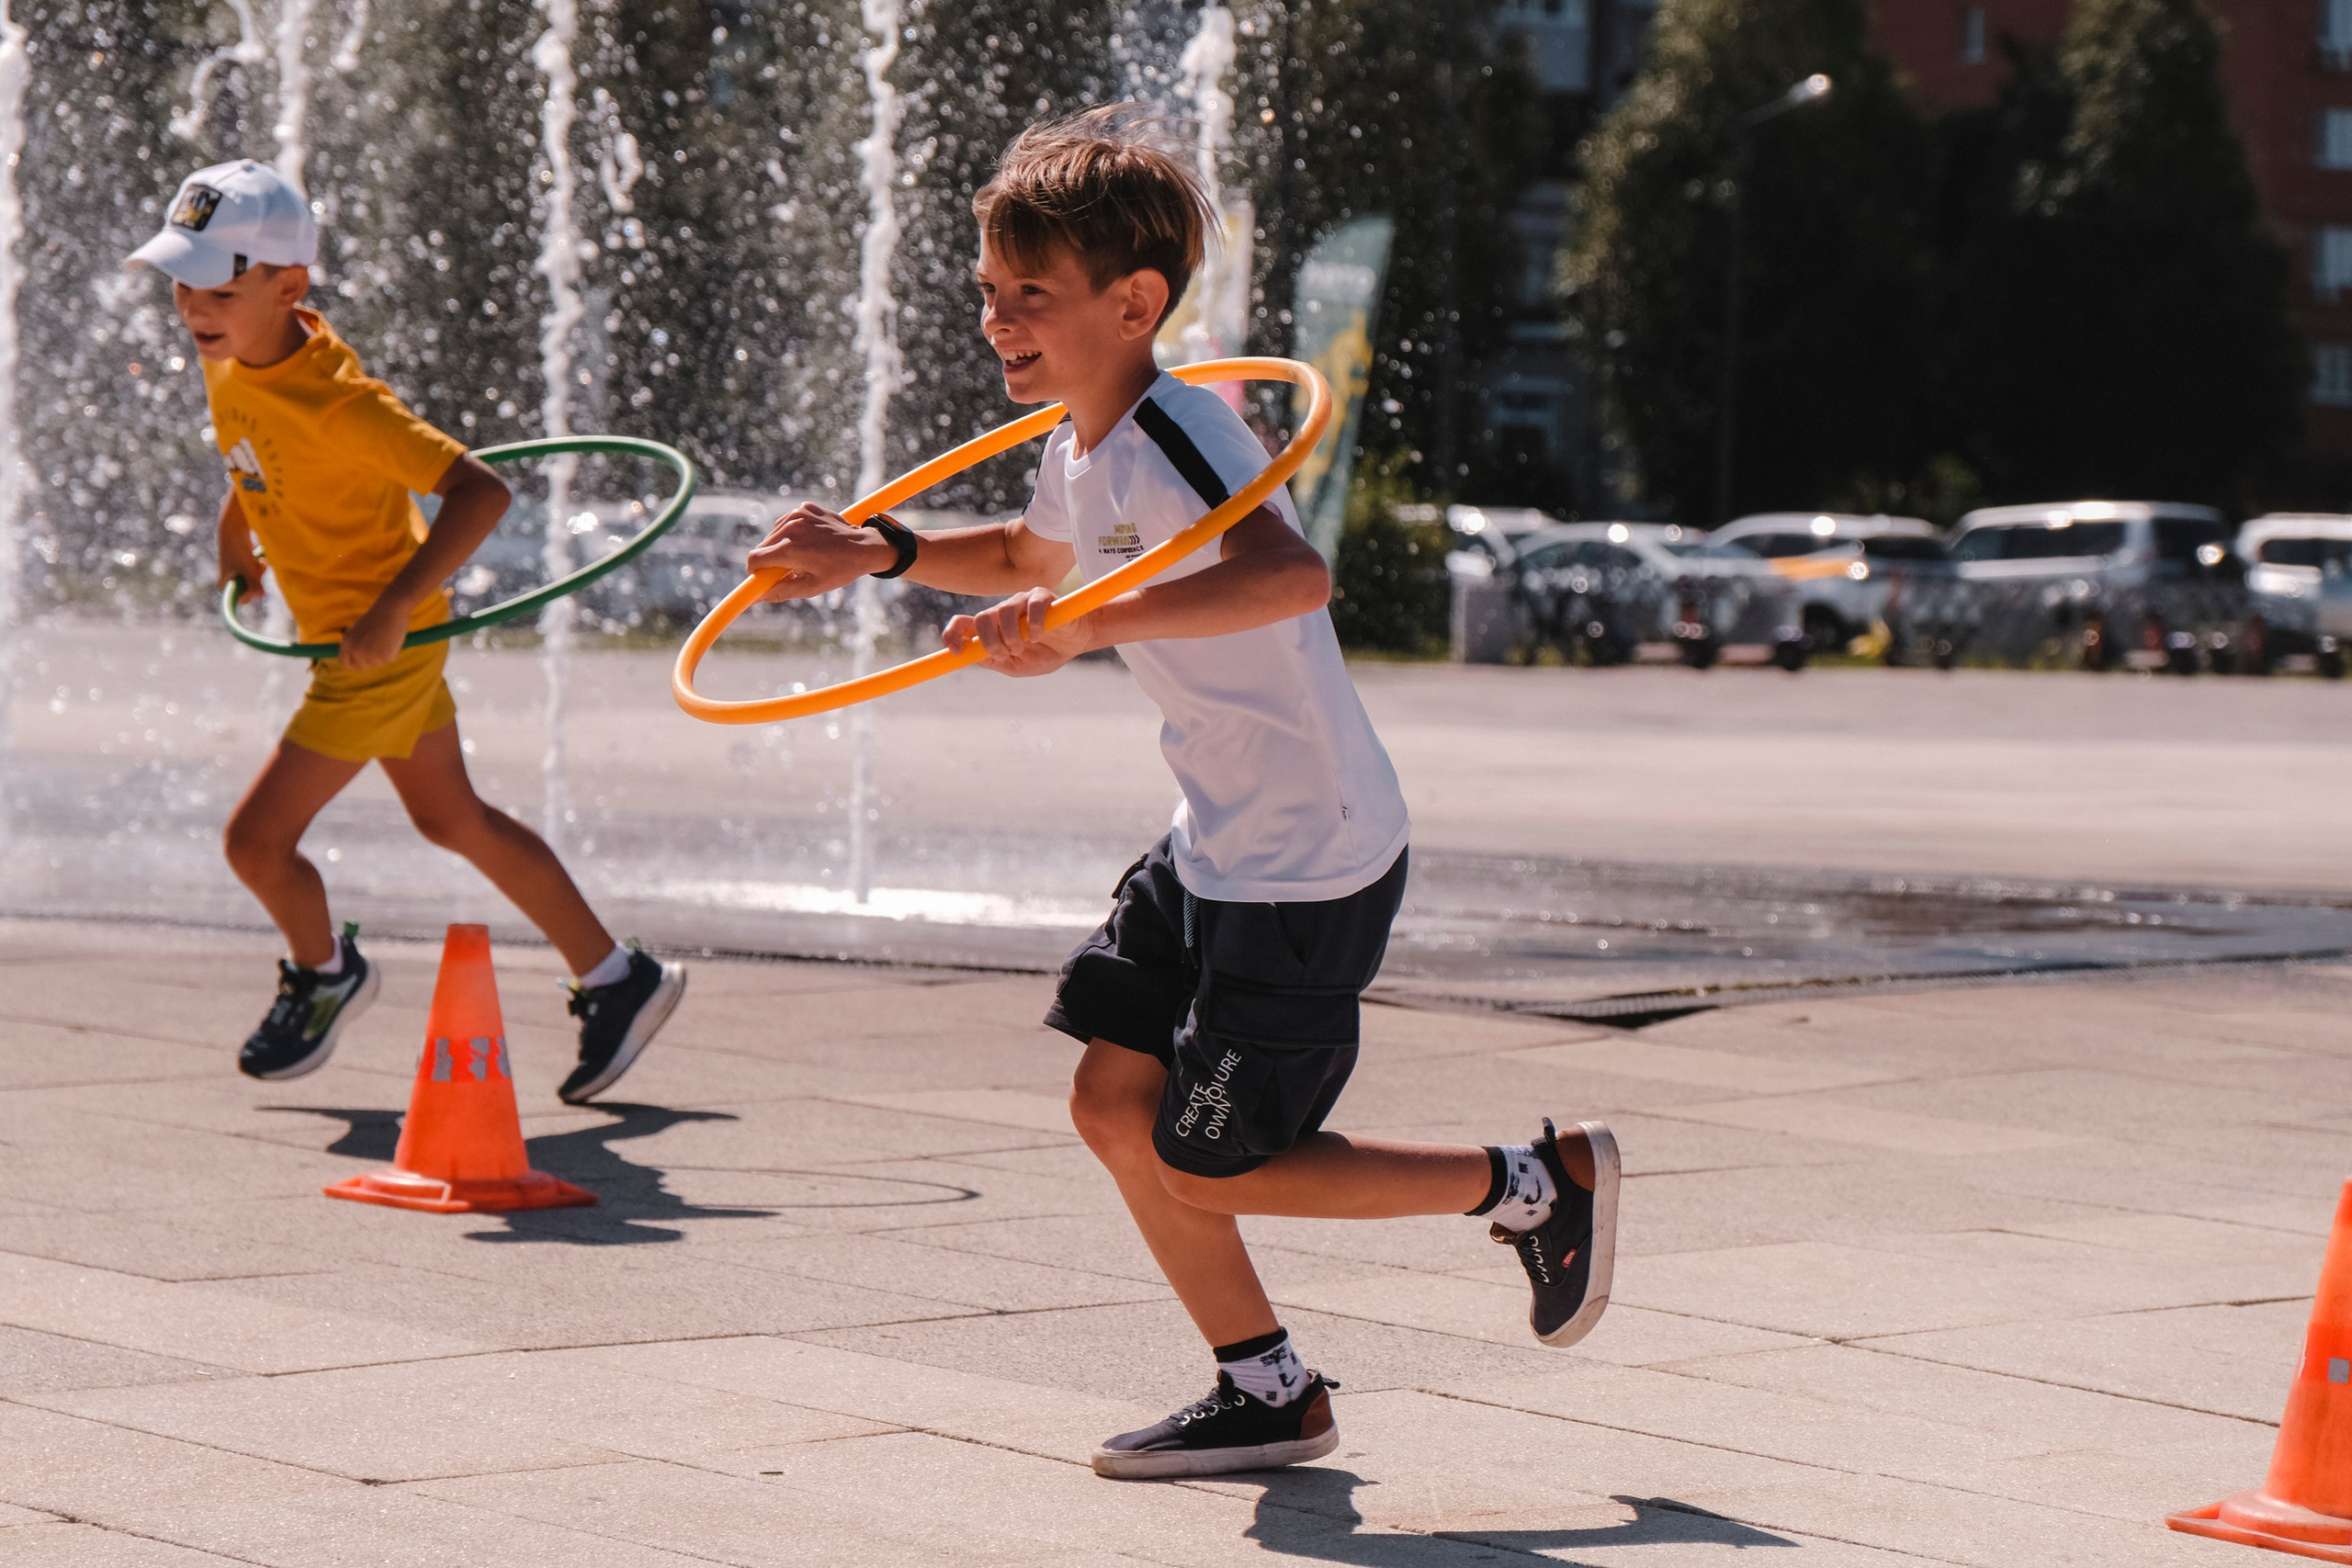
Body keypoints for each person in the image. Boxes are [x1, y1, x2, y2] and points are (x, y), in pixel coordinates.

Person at [743, 107, 1622, 1481]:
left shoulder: (1181, 425)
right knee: (1111, 1102)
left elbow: (1290, 575)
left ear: (1134, 302)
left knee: (1214, 1157)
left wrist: (1086, 627)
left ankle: (1532, 1182)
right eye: (989, 290)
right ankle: (1267, 1388)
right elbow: (1033, 556)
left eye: (1029, 293)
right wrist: (881, 548)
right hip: (1215, 838)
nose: (997, 319)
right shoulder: (1082, 445)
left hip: (1305, 858)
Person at [124, 158, 684, 1100]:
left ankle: (325, 974)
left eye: (217, 289)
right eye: (183, 283)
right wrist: (237, 537)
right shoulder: (235, 354)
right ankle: (618, 979)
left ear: (289, 288)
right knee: (452, 818)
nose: (193, 308)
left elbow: (481, 491)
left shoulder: (342, 405)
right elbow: (251, 455)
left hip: (375, 649)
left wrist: (390, 610)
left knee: (255, 843)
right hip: (364, 635)